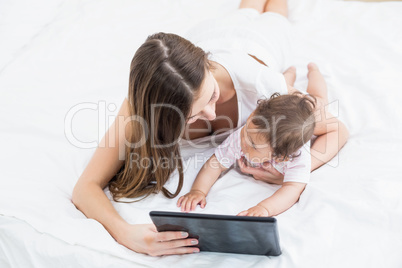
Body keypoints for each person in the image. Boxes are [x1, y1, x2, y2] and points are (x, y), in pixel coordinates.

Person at [72, 0, 349, 257]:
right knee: (246, 10)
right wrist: (125, 234)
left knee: (273, 15)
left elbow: (338, 129)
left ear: (207, 64)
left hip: (260, 41)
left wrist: (291, 174)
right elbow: (86, 187)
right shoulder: (141, 108)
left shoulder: (264, 85)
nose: (213, 114)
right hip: (213, 33)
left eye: (213, 95)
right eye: (193, 116)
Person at [177, 63, 324, 217]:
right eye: (246, 128)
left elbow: (292, 189)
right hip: (287, 108)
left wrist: (264, 208)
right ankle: (289, 74)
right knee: (284, 88)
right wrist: (198, 190)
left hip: (306, 118)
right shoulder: (245, 135)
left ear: (281, 157)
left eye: (253, 144)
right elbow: (215, 164)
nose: (243, 141)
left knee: (317, 98)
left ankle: (314, 71)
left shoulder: (297, 157)